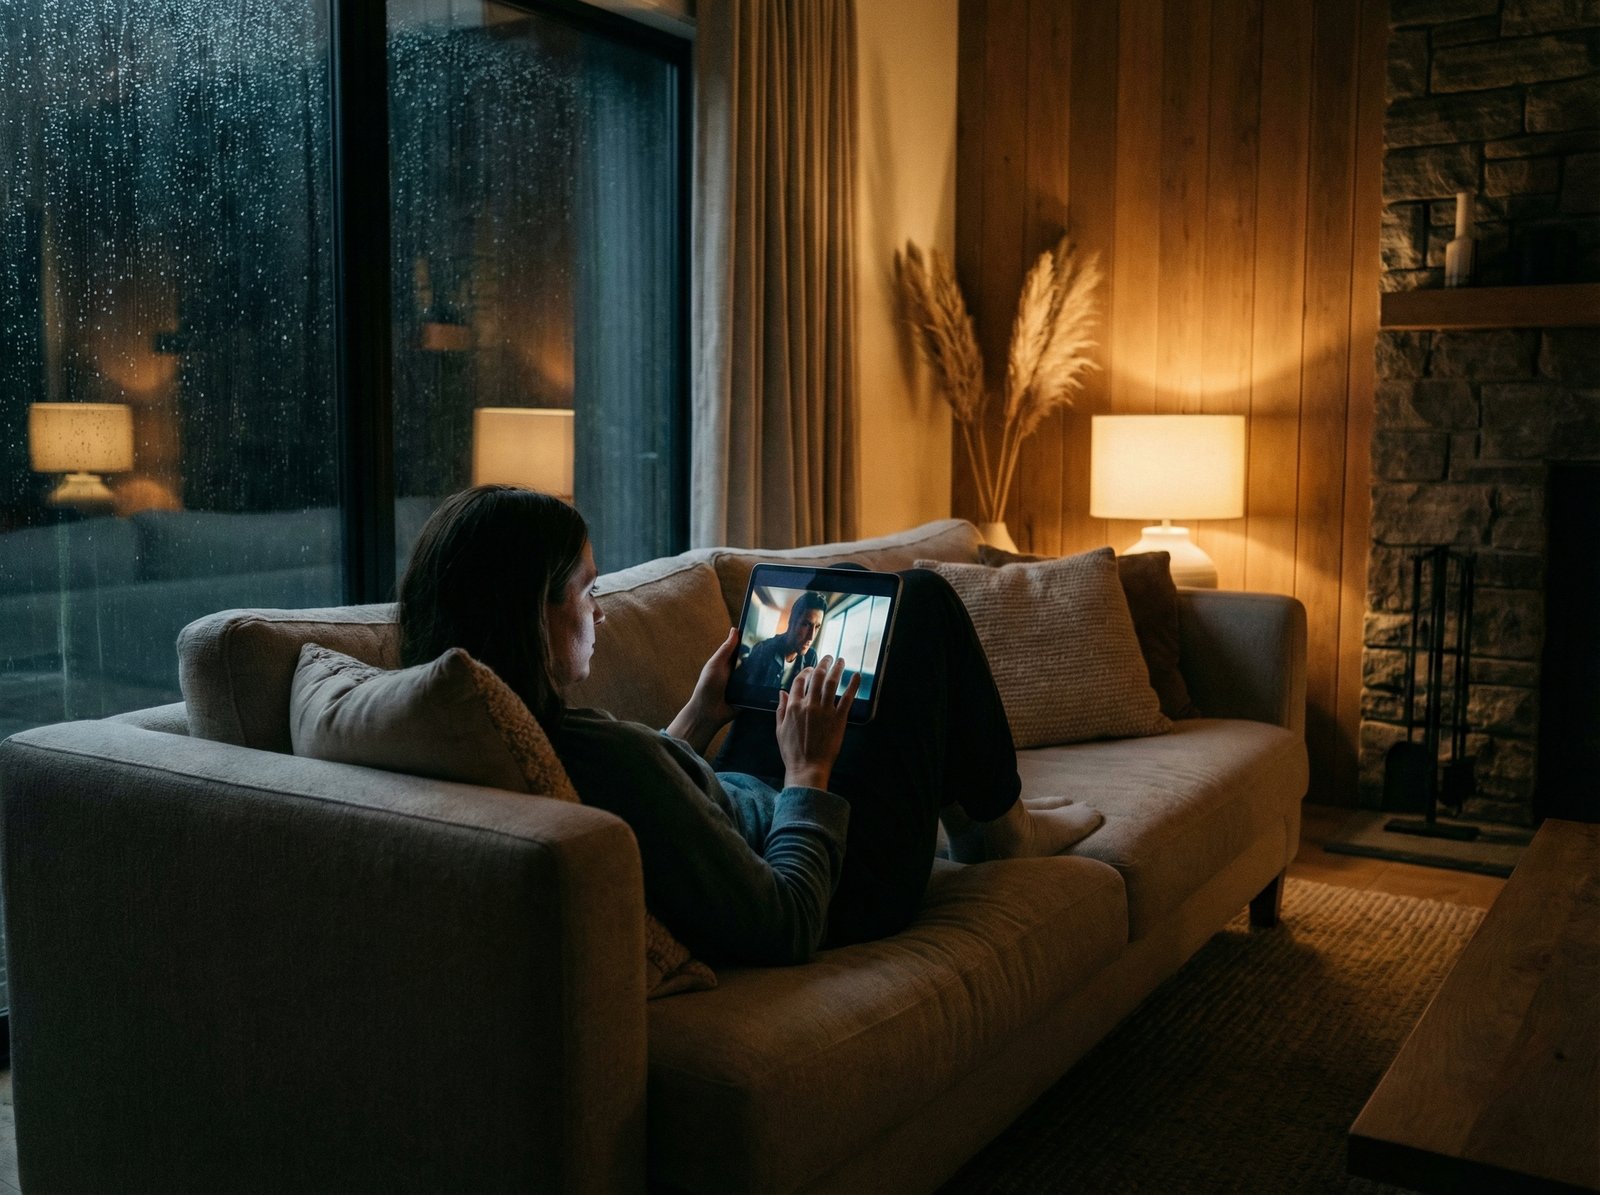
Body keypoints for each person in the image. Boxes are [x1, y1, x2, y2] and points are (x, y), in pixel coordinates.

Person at [398, 485, 1103, 966]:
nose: (602, 610)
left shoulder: (493, 726)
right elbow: (788, 918)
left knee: (859, 594)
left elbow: (649, 804)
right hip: (840, 880)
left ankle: (982, 811)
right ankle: (1002, 830)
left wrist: (705, 710)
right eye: (588, 589)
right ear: (530, 615)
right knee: (920, 604)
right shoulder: (596, 753)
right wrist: (808, 770)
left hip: (744, 801)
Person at [739, 591, 827, 691]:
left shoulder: (811, 657)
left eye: (817, 627)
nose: (811, 637)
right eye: (806, 624)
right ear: (791, 621)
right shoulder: (763, 650)